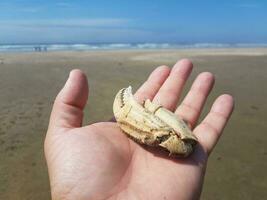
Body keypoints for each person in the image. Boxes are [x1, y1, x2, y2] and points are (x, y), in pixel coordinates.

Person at [44, 59, 234, 199]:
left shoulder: (182, 143)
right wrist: (154, 111)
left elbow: (183, 144)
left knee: (182, 141)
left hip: (176, 142)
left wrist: (155, 112)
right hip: (173, 142)